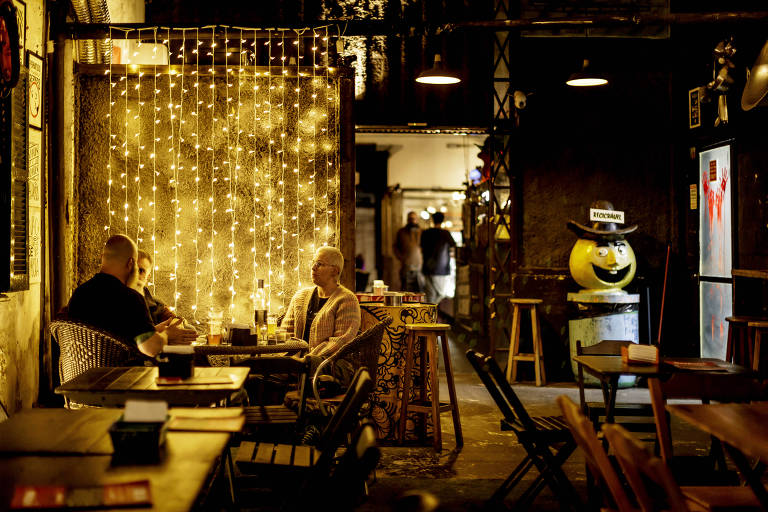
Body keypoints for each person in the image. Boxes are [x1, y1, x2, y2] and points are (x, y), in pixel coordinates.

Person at [66, 234, 197, 357]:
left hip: (82, 375)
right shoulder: (130, 298)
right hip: (120, 376)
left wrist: (154, 332)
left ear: (103, 258)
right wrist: (168, 334)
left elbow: (115, 335)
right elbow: (151, 348)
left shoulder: (79, 293)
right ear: (131, 263)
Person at [282, 246, 361, 358]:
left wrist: (308, 360)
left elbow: (340, 342)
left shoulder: (347, 300)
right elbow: (285, 333)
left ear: (335, 271)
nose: (313, 268)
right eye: (313, 263)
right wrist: (287, 358)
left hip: (327, 365)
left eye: (319, 264)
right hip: (294, 364)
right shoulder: (300, 297)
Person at [420, 212, 456, 306]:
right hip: (441, 268)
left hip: (427, 267)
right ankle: (431, 312)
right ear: (442, 220)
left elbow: (422, 248)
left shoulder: (426, 233)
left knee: (430, 294)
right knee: (441, 293)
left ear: (433, 220)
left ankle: (430, 315)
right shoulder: (445, 233)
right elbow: (453, 246)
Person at [130, 249, 175, 324]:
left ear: (147, 277)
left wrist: (176, 323)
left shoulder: (157, 304)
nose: (135, 274)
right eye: (132, 269)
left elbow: (177, 322)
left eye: (140, 271)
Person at [393, 211, 424, 292]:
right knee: (406, 291)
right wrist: (402, 258)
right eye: (410, 219)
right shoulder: (401, 232)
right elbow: (395, 247)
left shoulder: (422, 232)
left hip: (420, 267)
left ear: (417, 220)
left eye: (414, 218)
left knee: (419, 291)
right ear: (407, 220)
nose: (412, 220)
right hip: (406, 267)